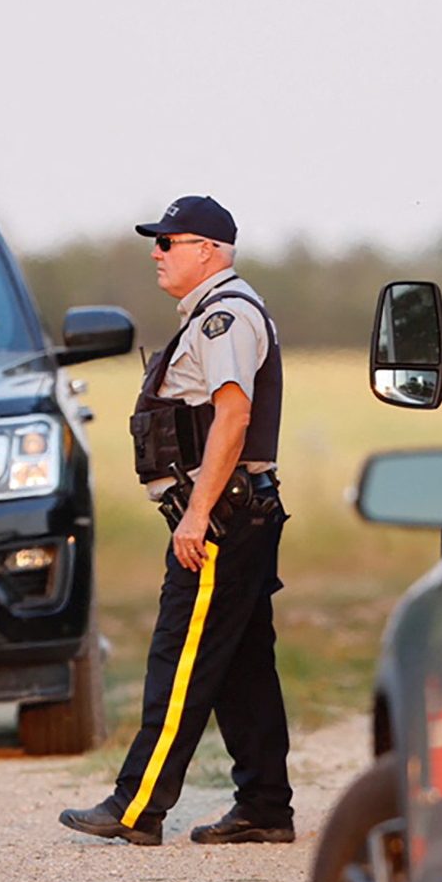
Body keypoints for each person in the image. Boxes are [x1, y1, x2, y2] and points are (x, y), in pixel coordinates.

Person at [59, 195, 293, 846]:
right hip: (233, 512)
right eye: (156, 242)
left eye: (169, 241)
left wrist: (196, 513)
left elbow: (233, 417)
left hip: (219, 517)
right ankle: (264, 806)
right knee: (241, 665)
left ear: (209, 251)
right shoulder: (214, 313)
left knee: (180, 658)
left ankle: (137, 806)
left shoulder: (225, 317)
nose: (156, 253)